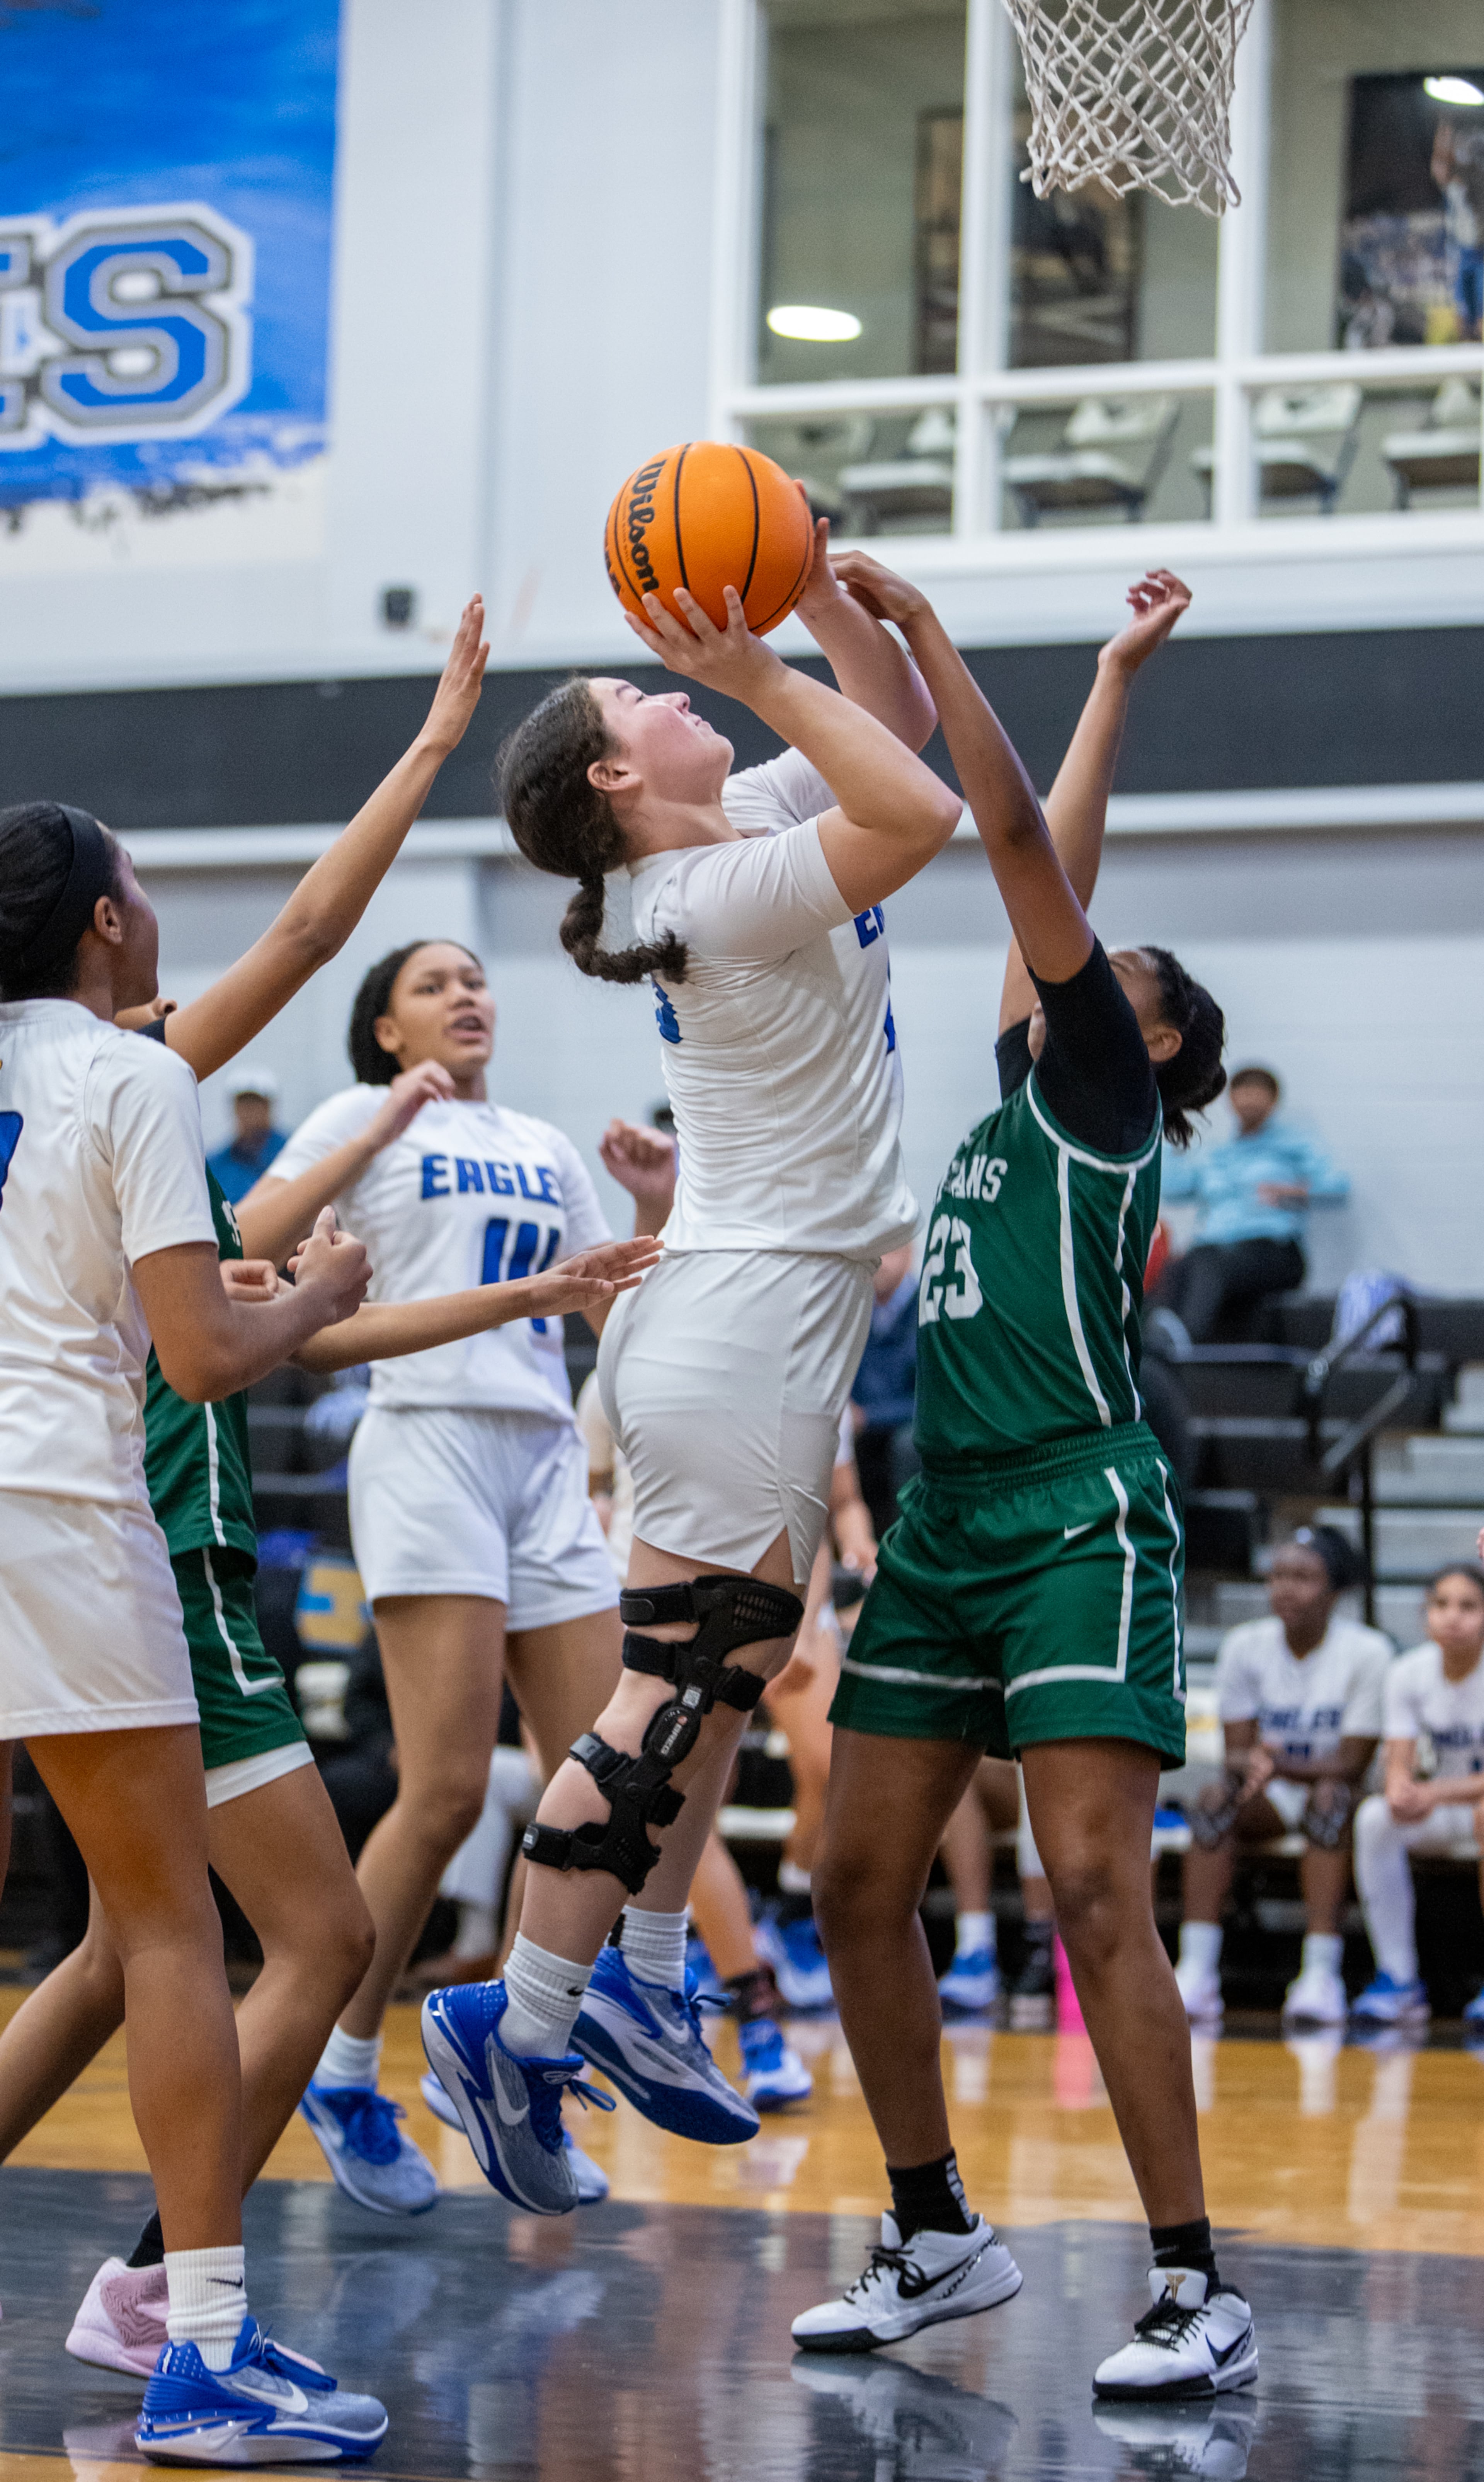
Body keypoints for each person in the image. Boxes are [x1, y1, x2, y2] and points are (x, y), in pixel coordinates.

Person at [421, 511, 961, 2215]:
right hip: (741, 1319)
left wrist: (805, 593)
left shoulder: (739, 818)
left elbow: (896, 732)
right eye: (643, 690)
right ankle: (514, 2017)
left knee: (722, 1669)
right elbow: (927, 812)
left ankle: (642, 1965)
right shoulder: (707, 881)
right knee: (667, 1680)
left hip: (754, 1309)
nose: (679, 690)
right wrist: (753, 661)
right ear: (611, 773)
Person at [794, 557, 1256, 2402]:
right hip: (943, 1521)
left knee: (1088, 1888)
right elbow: (1042, 849)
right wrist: (1112, 680)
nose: (1070, 939)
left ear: (1143, 1040)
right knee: (850, 1878)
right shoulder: (1019, 1098)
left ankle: (1193, 2277)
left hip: (1077, 1508)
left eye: (1101, 960)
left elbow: (1010, 844)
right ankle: (932, 2229)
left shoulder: (1104, 1101)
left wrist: (929, 642)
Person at [0, 799, 389, 2462]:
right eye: (146, 884)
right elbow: (204, 1355)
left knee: (111, 1933)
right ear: (102, 922)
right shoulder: (130, 1074)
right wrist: (314, 1292)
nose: (157, 909)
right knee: (170, 1933)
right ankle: (205, 2348)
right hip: (70, 1511)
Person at [248, 945, 670, 2214]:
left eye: (479, 976)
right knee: (437, 1795)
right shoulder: (355, 1122)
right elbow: (287, 1307)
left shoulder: (544, 1143)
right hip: (427, 1437)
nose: (469, 993)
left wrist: (653, 1213)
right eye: (435, 983)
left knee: (604, 1776)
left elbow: (614, 1315)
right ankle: (341, 2063)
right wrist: (384, 1130)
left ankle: (522, 2057)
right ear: (383, 1028)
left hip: (546, 1456)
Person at [575, 1361, 813, 2113]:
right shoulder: (622, 1367)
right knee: (665, 1805)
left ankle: (530, 2018)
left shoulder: (777, 1348)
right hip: (638, 1615)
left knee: (658, 1807)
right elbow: (588, 1501)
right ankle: (755, 2010)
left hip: (748, 1607)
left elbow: (815, 1495)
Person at [1174, 1526, 1389, 2030]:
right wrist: (1254, 1770)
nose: (1286, 1588)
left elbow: (1353, 1762)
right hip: (1269, 1795)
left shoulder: (1368, 1652)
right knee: (1211, 1800)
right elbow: (1237, 1756)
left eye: (1304, 1577)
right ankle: (1198, 1970)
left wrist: (1275, 1764)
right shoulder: (1245, 1645)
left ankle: (1320, 1975)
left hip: (1338, 1793)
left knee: (1331, 1799)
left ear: (1335, 1591)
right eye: (1277, 1576)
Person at [1351, 1564, 1484, 2029]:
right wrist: (1400, 1788)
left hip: (1467, 1806)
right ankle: (1399, 1978)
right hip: (1446, 1808)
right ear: (1425, 1613)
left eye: (1469, 1606)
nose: (1453, 1617)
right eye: (1442, 1604)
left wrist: (1431, 1791)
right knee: (1375, 1817)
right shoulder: (1408, 1671)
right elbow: (1399, 1764)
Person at [1153, 1065, 1347, 1343]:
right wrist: (1171, 1128)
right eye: (1243, 1093)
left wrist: (1296, 1190)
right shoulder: (1218, 1153)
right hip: (1214, 1251)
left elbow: (1338, 1188)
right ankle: (1149, 1349)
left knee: (1210, 1263)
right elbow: (1173, 1189)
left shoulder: (1293, 1145)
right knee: (1176, 1267)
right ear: (1231, 1099)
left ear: (1273, 1100)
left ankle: (1184, 1344)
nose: (1249, 1101)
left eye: (1258, 1093)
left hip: (1272, 1250)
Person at [850, 1242, 919, 1540]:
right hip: (858, 1434)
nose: (881, 1262)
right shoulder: (854, 1311)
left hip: (905, 1432)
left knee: (908, 1445)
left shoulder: (926, 1310)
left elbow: (929, 1400)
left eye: (890, 1250)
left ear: (909, 1253)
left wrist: (868, 1416)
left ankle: (906, 1542)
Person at [206, 1064, 287, 1203]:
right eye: (244, 1103)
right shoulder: (215, 1165)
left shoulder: (292, 1152)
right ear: (234, 1108)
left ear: (269, 1107)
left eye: (256, 1103)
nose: (249, 1111)